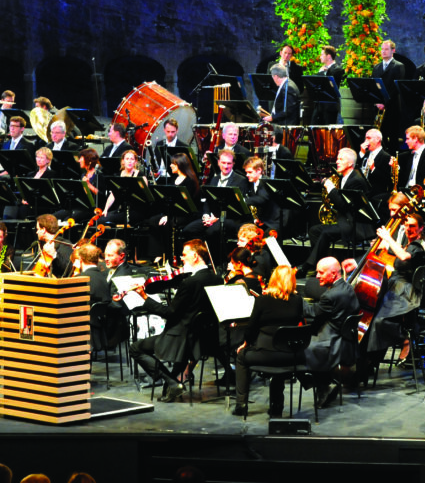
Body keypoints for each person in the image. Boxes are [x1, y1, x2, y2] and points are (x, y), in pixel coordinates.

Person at [128, 239, 221, 403]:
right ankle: (172, 387)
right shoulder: (216, 278)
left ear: (195, 255)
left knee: (136, 348)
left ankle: (171, 382)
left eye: (185, 255)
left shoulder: (190, 283)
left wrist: (144, 297)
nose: (182, 258)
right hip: (202, 336)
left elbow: (170, 313)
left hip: (181, 337)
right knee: (181, 354)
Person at [232, 264, 304, 417]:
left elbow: (251, 328)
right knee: (278, 365)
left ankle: (241, 404)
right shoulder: (298, 301)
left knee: (241, 357)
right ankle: (277, 405)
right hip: (290, 355)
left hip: (266, 355)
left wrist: (245, 344)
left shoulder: (263, 300)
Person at [364, 213, 425, 365]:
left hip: (407, 292)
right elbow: (398, 252)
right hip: (396, 286)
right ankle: (366, 361)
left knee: (379, 321)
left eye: (413, 226)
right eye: (406, 225)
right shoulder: (408, 244)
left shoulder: (418, 246)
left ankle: (403, 337)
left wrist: (388, 238)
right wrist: (384, 246)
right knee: (372, 317)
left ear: (421, 228)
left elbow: (403, 256)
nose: (409, 229)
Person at [302, 148, 373, 276]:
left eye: (341, 159)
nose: (337, 162)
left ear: (350, 163)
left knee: (325, 233)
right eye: (337, 159)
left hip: (355, 224)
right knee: (314, 230)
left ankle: (309, 266)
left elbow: (344, 206)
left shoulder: (356, 180)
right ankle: (320, 264)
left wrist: (331, 189)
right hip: (343, 220)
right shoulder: (345, 177)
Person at [303, 257, 360, 407]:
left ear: (334, 274)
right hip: (347, 339)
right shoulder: (347, 287)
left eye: (321, 273)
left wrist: (294, 298)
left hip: (334, 341)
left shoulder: (329, 296)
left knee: (300, 349)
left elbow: (312, 312)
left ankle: (322, 386)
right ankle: (323, 383)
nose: (317, 276)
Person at [146, 152, 200, 262]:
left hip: (185, 214)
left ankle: (170, 254)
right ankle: (157, 253)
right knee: (152, 221)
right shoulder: (174, 178)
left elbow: (183, 204)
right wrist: (166, 214)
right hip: (171, 212)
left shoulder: (190, 181)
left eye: (173, 164)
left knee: (167, 224)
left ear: (180, 165)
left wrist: (168, 216)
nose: (170, 165)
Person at [372, 39, 406, 146]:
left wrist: (385, 103)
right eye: (382, 49)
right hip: (378, 107)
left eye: (386, 49)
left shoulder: (398, 66)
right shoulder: (376, 67)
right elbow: (374, 86)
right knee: (380, 136)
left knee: (392, 137)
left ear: (393, 51)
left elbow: (396, 87)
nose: (383, 51)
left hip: (392, 106)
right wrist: (377, 102)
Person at [101, 149, 148, 226]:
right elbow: (113, 194)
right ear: (123, 161)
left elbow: (145, 195)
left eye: (132, 159)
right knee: (100, 220)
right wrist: (106, 209)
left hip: (136, 210)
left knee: (105, 221)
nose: (129, 161)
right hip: (122, 209)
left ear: (135, 162)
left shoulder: (140, 176)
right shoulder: (118, 175)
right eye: (127, 159)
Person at [358, 128, 394, 217]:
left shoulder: (386, 156)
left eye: (368, 138)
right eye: (365, 138)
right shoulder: (366, 154)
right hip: (362, 191)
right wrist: (361, 153)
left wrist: (373, 168)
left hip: (375, 194)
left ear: (378, 139)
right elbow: (357, 168)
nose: (366, 141)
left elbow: (386, 180)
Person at [398, 125, 425, 191]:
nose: (406, 142)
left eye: (408, 139)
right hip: (405, 190)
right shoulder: (406, 156)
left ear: (415, 139)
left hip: (419, 192)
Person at [311, 45, 345, 125]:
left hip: (330, 108)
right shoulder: (322, 69)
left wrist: (321, 73)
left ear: (329, 56)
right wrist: (321, 72)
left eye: (322, 54)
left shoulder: (337, 70)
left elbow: (329, 84)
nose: (320, 57)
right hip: (319, 106)